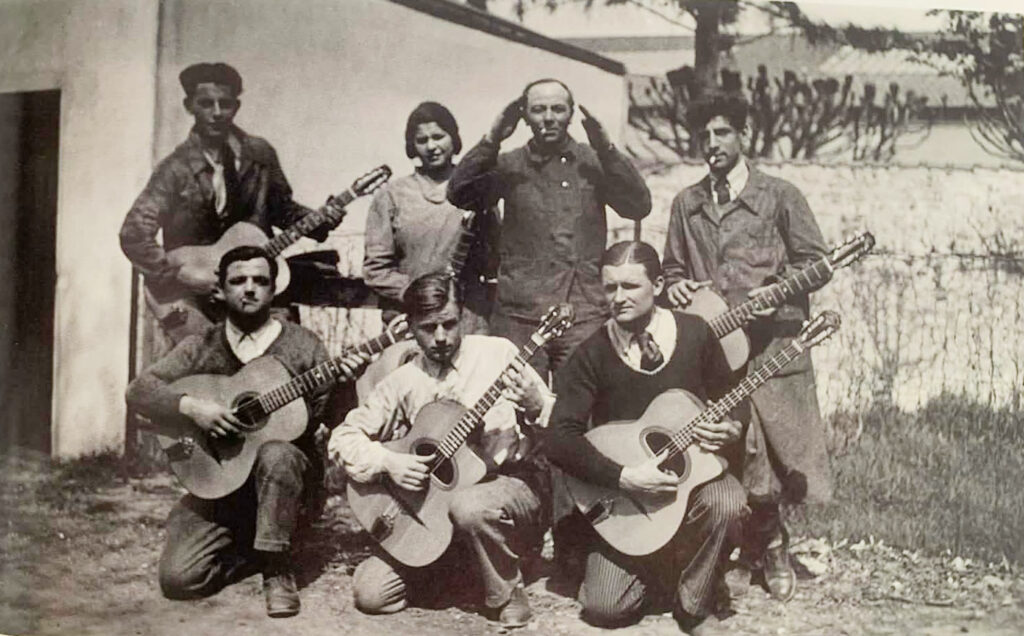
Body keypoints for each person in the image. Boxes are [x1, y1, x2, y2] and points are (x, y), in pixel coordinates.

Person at [125, 245, 365, 617]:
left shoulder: (304, 345)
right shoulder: (201, 345)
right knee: (179, 579)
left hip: (288, 483)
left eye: (260, 281)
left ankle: (277, 567)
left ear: (273, 290)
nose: (249, 289)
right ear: (220, 289)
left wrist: (348, 381)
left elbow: (339, 418)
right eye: (238, 280)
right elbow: (139, 391)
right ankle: (254, 547)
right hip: (220, 485)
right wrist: (192, 407)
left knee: (276, 451)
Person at [661, 93, 832, 602]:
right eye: (705, 136)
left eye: (722, 133)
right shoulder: (687, 204)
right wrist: (675, 287)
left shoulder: (780, 195)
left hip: (772, 346)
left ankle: (773, 544)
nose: (712, 144)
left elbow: (817, 263)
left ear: (743, 136)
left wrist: (774, 291)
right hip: (713, 348)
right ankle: (737, 544)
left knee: (769, 451)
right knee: (724, 446)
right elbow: (672, 269)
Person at [329, 272, 554, 628]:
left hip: (505, 489)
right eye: (427, 328)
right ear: (410, 326)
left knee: (467, 505)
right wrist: (390, 462)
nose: (440, 338)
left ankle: (508, 592)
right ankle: (458, 565)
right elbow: (342, 439)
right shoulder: (403, 380)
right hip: (433, 505)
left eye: (449, 324)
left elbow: (559, 425)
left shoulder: (500, 354)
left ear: (462, 315)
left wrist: (536, 403)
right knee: (371, 593)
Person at [544, 241, 748, 634]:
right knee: (604, 609)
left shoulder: (694, 333)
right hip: (628, 503)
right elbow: (559, 437)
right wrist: (623, 476)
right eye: (609, 288)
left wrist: (731, 426)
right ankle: (663, 574)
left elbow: (732, 395)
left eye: (630, 287)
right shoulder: (592, 353)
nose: (618, 298)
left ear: (657, 284)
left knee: (728, 501)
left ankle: (695, 604)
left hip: (689, 486)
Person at [119, 62, 344, 338]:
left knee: (283, 360)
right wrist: (179, 276)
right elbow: (134, 233)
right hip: (198, 301)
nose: (216, 113)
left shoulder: (260, 155)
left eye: (224, 104)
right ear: (189, 106)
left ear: (235, 107)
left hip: (257, 290)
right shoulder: (174, 169)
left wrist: (321, 220)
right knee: (207, 374)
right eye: (206, 103)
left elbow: (282, 209)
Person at [447, 78, 651, 377]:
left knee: (584, 404)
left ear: (570, 114)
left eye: (558, 109)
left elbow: (638, 205)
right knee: (518, 402)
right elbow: (459, 193)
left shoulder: (591, 162)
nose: (549, 117)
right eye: (538, 110)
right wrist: (492, 138)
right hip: (520, 314)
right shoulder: (509, 165)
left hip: (584, 310)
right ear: (525, 117)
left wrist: (607, 149)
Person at [363, 101, 497, 334]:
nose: (432, 146)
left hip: (468, 318)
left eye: (438, 136)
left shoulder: (476, 190)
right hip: (411, 319)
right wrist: (415, 292)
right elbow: (375, 269)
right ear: (412, 147)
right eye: (422, 140)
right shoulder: (392, 196)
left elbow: (494, 260)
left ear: (453, 139)